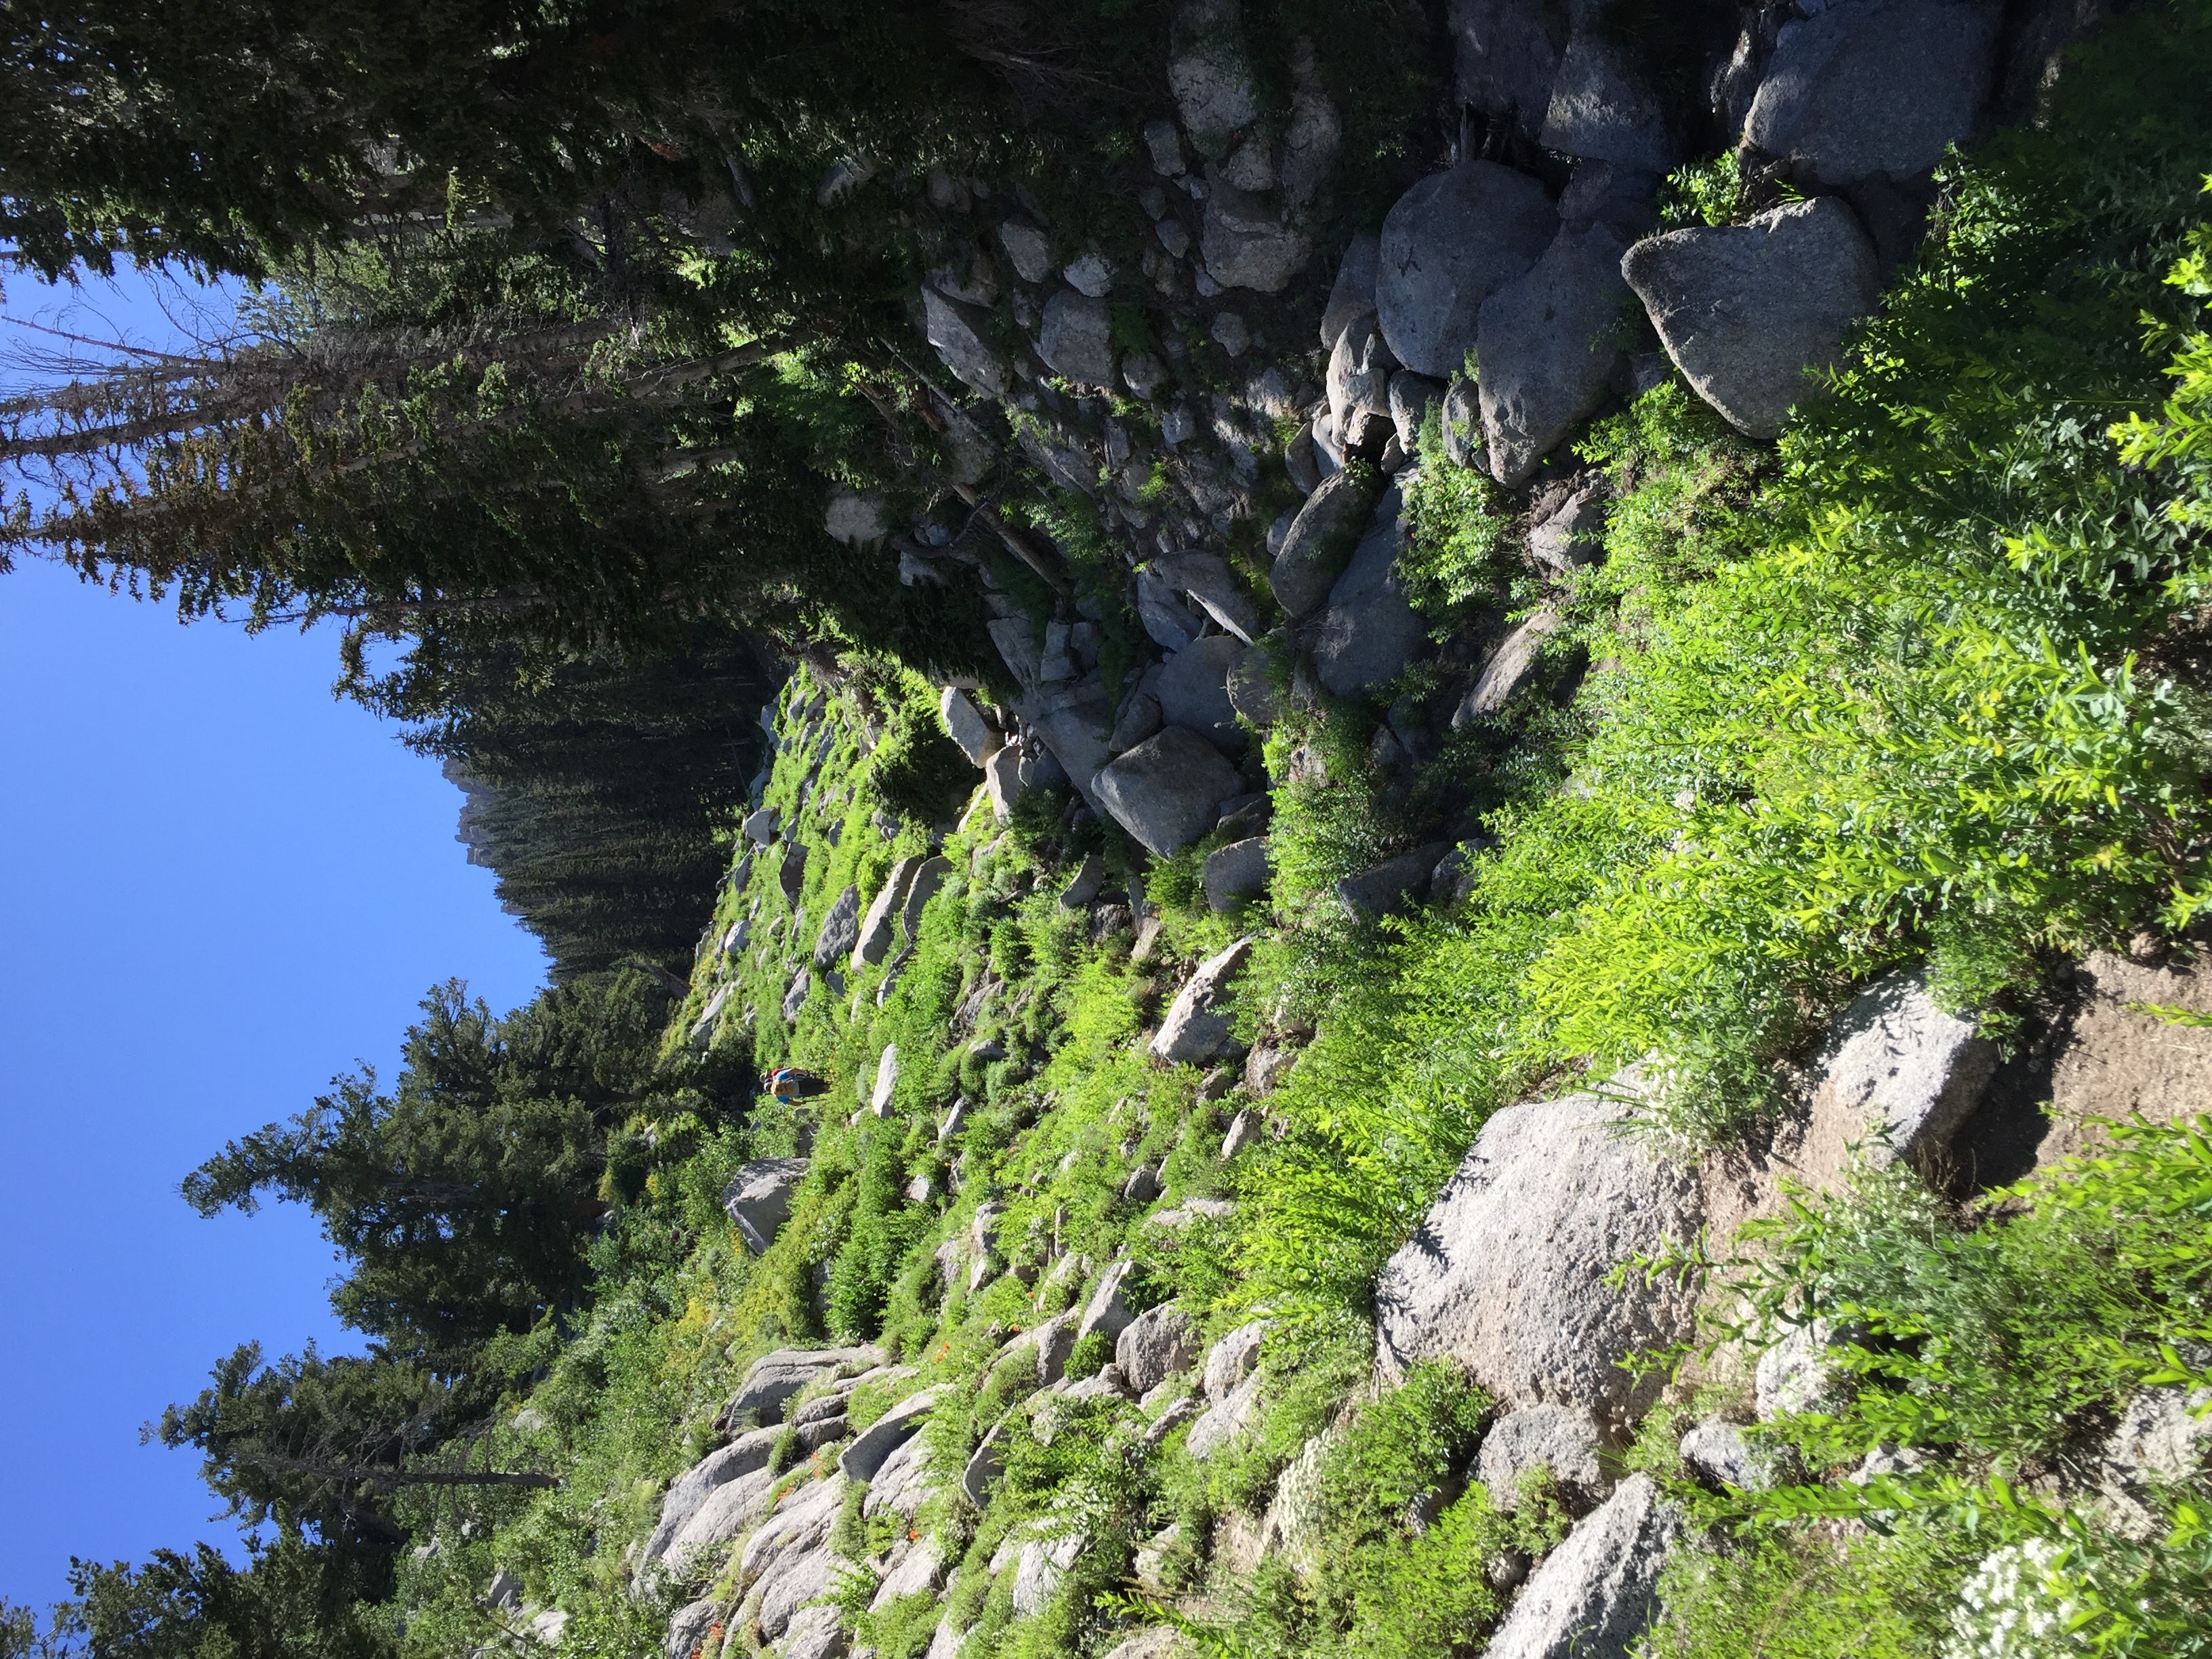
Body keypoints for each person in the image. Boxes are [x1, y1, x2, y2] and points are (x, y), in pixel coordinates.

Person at [762, 1065, 827, 1103]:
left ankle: (832, 1091)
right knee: (821, 1082)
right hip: (800, 1082)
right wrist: (805, 1073)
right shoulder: (778, 1077)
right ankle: (832, 1083)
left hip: (801, 1092)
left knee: (820, 1090)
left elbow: (791, 1102)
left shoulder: (778, 1096)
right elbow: (793, 1070)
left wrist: (801, 1103)